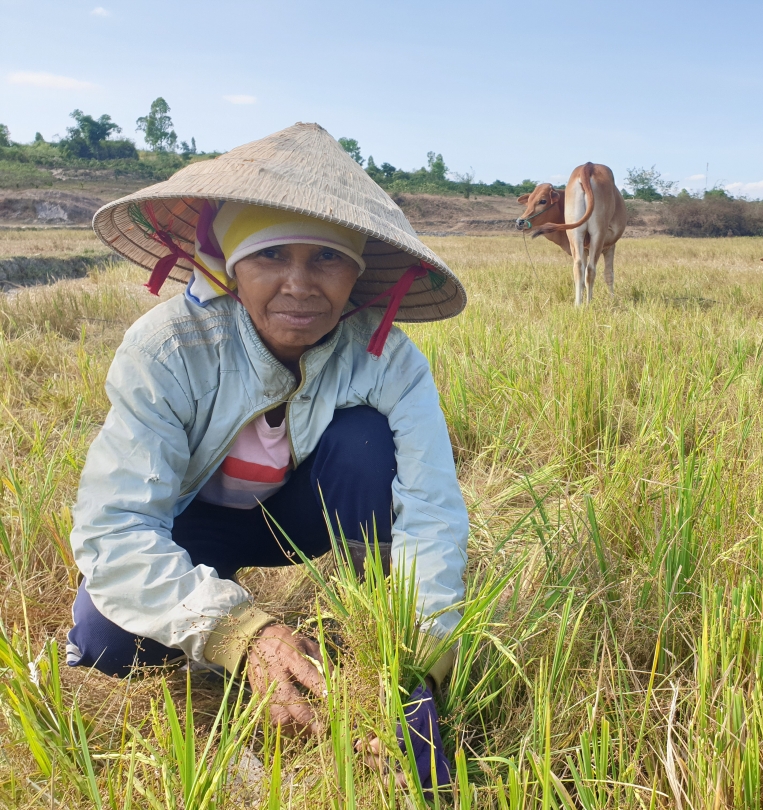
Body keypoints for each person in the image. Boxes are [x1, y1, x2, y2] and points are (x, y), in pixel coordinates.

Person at [65, 123, 468, 786]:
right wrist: (243, 633)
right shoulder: (167, 349)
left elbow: (432, 512)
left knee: (366, 444)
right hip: (191, 526)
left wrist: (408, 666)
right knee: (107, 645)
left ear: (357, 270)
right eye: (272, 255)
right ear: (229, 264)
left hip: (301, 516)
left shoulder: (388, 357)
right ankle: (220, 637)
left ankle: (372, 617)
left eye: (328, 259)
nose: (301, 284)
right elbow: (116, 530)